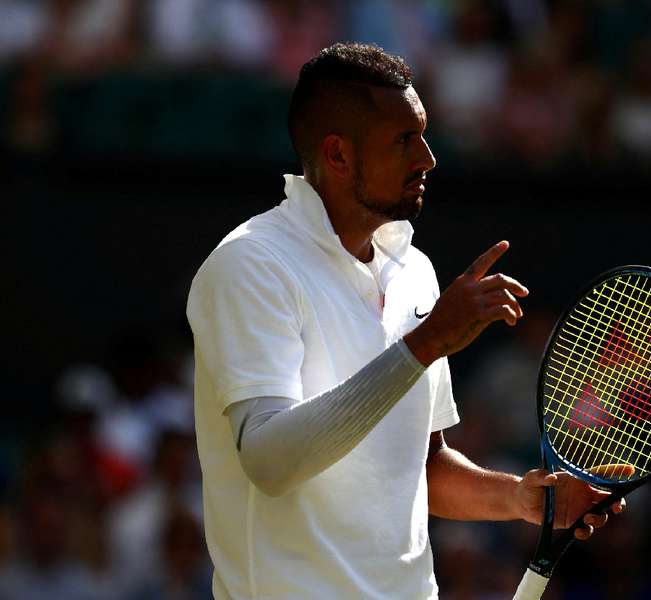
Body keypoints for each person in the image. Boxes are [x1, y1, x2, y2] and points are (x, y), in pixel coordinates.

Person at [186, 42, 625, 599]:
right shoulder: (249, 264)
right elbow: (270, 461)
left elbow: (422, 465)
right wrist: (426, 343)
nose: (428, 159)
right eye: (403, 140)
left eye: (423, 134)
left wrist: (520, 498)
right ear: (339, 155)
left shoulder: (414, 271)